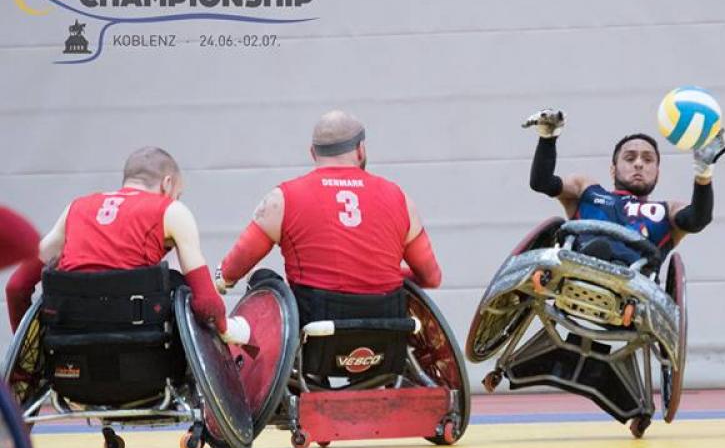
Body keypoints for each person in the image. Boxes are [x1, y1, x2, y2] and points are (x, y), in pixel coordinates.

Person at [4, 147, 245, 341]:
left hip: (68, 348)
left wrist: (29, 353)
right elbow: (206, 304)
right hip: (143, 348)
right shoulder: (172, 211)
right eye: (178, 193)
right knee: (178, 285)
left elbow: (16, 286)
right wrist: (228, 329)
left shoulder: (75, 208)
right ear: (167, 183)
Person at [216, 110, 442, 303]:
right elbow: (431, 278)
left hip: (315, 325)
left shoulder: (282, 199)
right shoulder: (400, 199)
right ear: (360, 149)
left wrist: (223, 278)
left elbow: (232, 269)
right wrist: (386, 274)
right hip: (386, 328)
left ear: (313, 153)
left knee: (259, 277)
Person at [524, 108, 725, 266]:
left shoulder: (667, 210)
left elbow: (698, 219)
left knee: (619, 252)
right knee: (592, 245)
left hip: (633, 277)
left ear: (657, 172)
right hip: (582, 260)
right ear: (613, 170)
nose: (639, 163)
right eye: (630, 158)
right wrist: (547, 138)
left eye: (648, 160)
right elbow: (542, 183)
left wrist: (704, 171)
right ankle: (594, 260)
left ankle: (614, 264)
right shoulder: (587, 190)